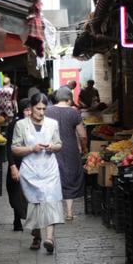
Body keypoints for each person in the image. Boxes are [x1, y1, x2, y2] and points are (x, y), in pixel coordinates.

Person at [11, 93, 64, 253]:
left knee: (51, 200)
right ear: (31, 108)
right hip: (30, 170)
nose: (41, 112)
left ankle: (49, 238)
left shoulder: (53, 124)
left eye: (43, 109)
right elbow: (14, 148)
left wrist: (52, 147)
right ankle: (37, 235)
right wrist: (30, 148)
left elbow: (59, 143)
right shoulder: (21, 125)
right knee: (34, 204)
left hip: (49, 168)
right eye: (38, 108)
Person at [45, 87, 87, 221]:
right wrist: (84, 148)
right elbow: (82, 135)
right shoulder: (73, 112)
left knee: (54, 177)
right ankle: (69, 212)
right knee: (70, 178)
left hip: (51, 148)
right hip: (70, 149)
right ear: (69, 99)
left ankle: (55, 213)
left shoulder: (47, 111)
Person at [6, 98, 32, 231]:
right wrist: (12, 166)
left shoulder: (36, 124)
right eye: (26, 110)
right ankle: (17, 218)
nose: (29, 112)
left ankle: (30, 221)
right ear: (22, 111)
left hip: (31, 163)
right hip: (17, 163)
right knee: (14, 191)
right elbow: (9, 146)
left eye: (31, 109)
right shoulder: (14, 124)